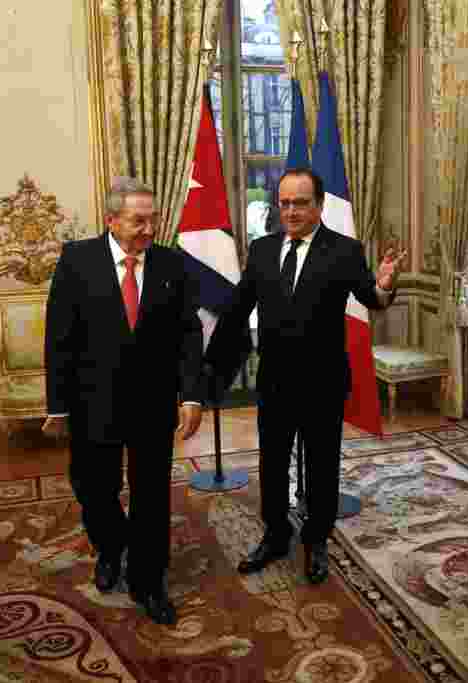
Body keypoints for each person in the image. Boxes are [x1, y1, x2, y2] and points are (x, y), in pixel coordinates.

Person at [206, 167, 407, 584]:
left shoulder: (344, 250)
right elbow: (239, 307)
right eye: (285, 203)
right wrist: (208, 365)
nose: (292, 211)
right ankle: (276, 534)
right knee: (273, 464)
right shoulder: (261, 250)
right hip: (275, 382)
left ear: (318, 205)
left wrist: (386, 283)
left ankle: (317, 539)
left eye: (301, 203)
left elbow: (372, 296)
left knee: (321, 466)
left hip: (323, 381)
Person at [42, 177, 205, 625]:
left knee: (151, 495)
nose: (149, 229)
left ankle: (149, 582)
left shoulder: (172, 264)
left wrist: (191, 395)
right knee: (95, 489)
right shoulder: (78, 260)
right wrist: (58, 405)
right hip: (93, 402)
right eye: (138, 221)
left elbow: (189, 334)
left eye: (153, 219)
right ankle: (111, 547)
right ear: (111, 220)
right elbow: (59, 337)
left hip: (153, 403)